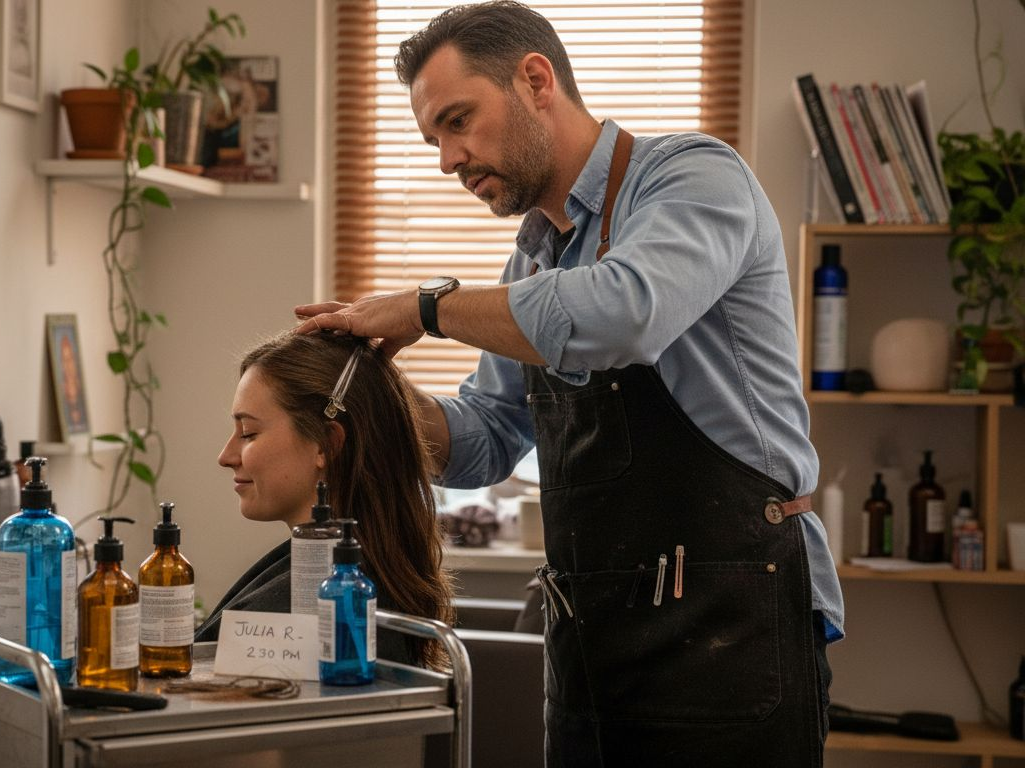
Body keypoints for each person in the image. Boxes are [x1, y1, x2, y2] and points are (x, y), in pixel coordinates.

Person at [294, 2, 842, 765]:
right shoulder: (531, 263)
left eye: (458, 121)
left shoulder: (694, 177)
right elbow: (484, 439)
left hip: (733, 631)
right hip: (592, 646)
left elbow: (623, 314)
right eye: (433, 140)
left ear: (535, 80)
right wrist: (369, 393)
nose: (447, 159)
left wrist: (426, 307)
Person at [198, 332, 455, 670]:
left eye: (248, 433)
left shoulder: (332, 603)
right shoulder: (368, 570)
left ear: (326, 444)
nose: (225, 457)